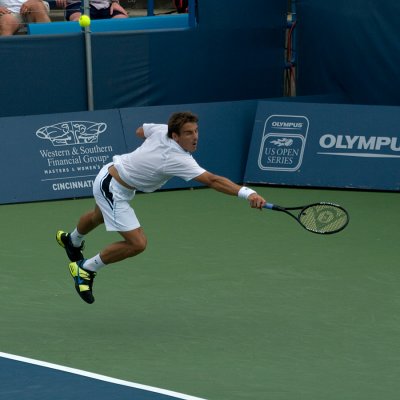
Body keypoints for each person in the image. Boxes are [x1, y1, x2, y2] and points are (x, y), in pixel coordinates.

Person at [56, 111, 266, 304]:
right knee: (137, 243)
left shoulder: (161, 130)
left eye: (196, 131)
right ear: (175, 136)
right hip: (112, 188)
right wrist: (248, 193)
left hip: (110, 174)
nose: (195, 137)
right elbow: (213, 180)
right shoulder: (177, 158)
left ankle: (71, 240)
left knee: (98, 216)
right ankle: (85, 269)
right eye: (188, 133)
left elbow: (140, 131)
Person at [55, 0, 128, 21]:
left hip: (105, 5)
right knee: (78, 21)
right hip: (78, 4)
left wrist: (115, 2)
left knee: (122, 20)